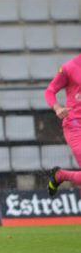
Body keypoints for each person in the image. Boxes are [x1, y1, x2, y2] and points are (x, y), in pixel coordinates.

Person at [46, 54, 81, 196]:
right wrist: (57, 108)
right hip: (75, 125)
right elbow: (50, 91)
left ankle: (60, 176)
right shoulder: (70, 68)